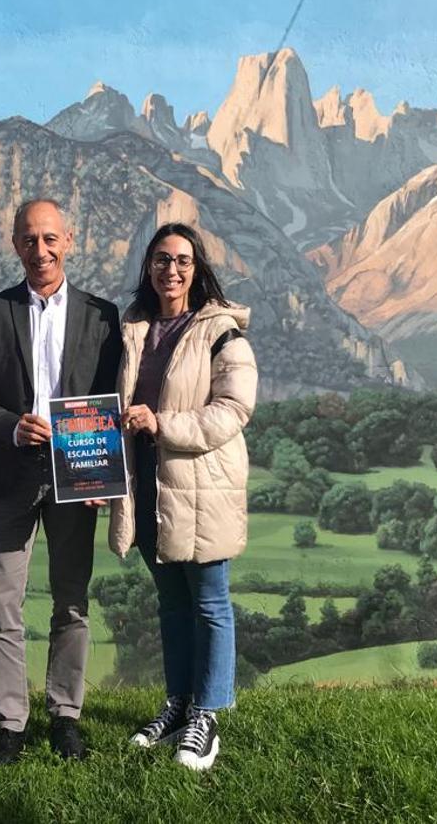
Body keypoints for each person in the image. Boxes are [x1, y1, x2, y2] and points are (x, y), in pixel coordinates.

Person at [0, 198, 122, 764]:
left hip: (78, 476)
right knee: (3, 607)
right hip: (10, 475)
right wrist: (12, 427)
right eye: (30, 240)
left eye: (50, 239)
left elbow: (114, 401)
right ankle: (9, 723)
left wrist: (108, 466)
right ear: (15, 244)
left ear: (70, 240)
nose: (41, 250)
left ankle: (65, 716)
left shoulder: (102, 317)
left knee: (72, 603)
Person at [109, 222, 257, 772]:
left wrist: (162, 422)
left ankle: (209, 714)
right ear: (148, 267)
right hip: (146, 482)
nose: (171, 270)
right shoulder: (135, 328)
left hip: (202, 485)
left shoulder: (221, 331)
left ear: (197, 269)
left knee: (210, 601)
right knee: (170, 602)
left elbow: (233, 411)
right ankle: (178, 705)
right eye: (160, 259)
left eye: (182, 261)